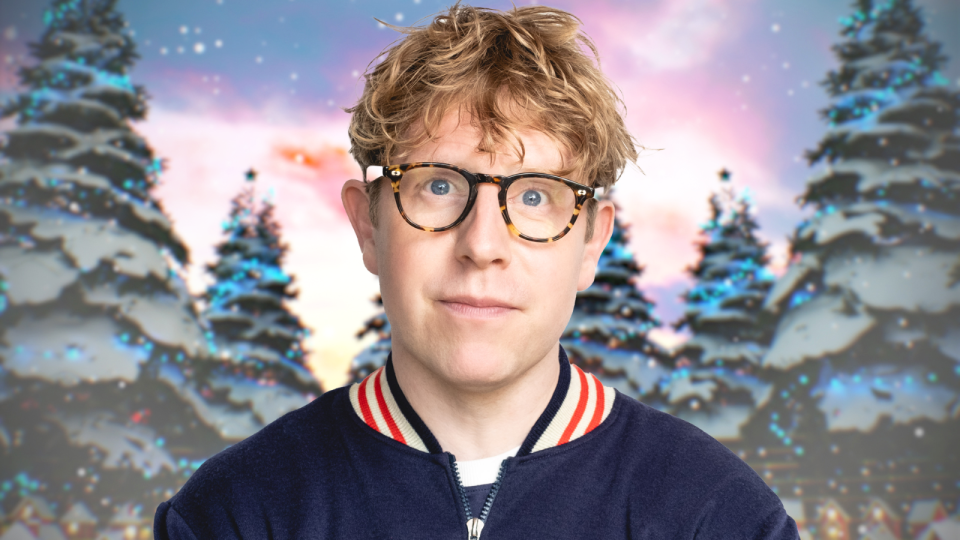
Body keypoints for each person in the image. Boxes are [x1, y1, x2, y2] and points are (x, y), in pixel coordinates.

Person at [154, 4, 800, 539]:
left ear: (592, 242)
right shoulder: (235, 514)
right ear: (368, 227)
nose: (482, 244)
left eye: (535, 196)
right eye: (438, 187)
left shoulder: (715, 515)